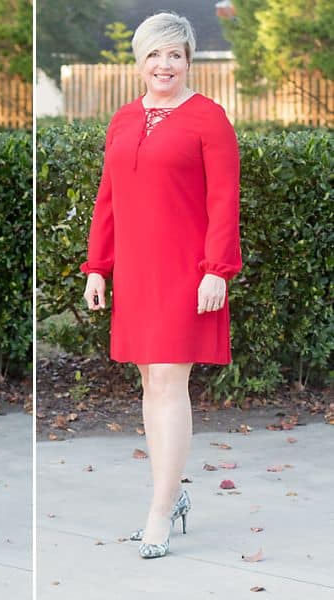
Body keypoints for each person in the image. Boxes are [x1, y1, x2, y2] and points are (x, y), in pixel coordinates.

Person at [81, 13, 241, 559]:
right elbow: (108, 197)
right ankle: (168, 497)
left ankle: (160, 509)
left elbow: (224, 200)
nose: (164, 64)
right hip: (135, 270)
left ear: (189, 60)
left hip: (185, 271)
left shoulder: (208, 119)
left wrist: (217, 270)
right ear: (139, 61)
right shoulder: (123, 119)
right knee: (151, 385)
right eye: (154, 54)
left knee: (170, 384)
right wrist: (98, 266)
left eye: (174, 54)